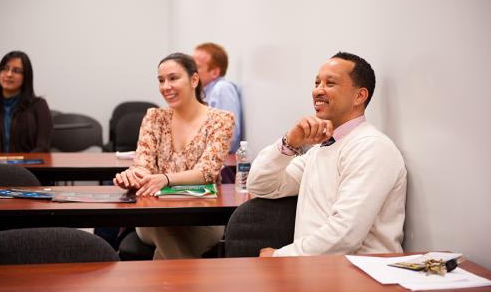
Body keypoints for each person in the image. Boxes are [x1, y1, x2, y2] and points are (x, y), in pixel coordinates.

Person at [247, 52, 407, 257]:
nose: (318, 91)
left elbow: (346, 234)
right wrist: (290, 143)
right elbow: (260, 185)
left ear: (359, 96)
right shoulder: (322, 149)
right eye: (316, 83)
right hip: (316, 271)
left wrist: (280, 257)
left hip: (359, 277)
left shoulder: (372, 148)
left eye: (330, 83)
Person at [113, 52, 234, 259]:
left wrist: (166, 179)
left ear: (194, 80)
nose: (165, 87)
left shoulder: (221, 120)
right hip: (156, 215)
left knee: (169, 242)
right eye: (161, 80)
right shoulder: (154, 117)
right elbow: (143, 163)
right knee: (160, 224)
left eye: (173, 78)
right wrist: (133, 176)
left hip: (202, 218)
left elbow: (206, 172)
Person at [0, 51, 53, 153]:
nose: (9, 74)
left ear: (26, 77)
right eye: (5, 69)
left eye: (16, 71)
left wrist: (22, 164)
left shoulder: (39, 106)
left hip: (29, 167)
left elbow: (42, 147)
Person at [193, 42, 242, 153]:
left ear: (214, 72)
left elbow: (229, 139)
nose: (190, 71)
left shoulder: (222, 89)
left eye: (196, 67)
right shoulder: (200, 92)